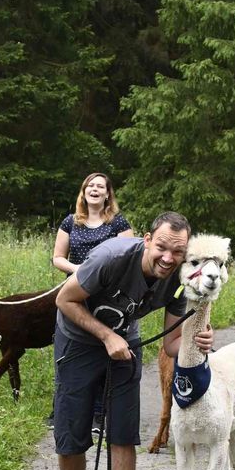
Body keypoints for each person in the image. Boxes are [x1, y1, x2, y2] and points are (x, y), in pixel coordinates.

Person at [51, 211, 213, 470]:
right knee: (71, 428)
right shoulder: (110, 258)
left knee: (123, 432)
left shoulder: (178, 280)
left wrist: (198, 337)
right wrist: (106, 335)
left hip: (125, 345)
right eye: (162, 248)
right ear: (147, 240)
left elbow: (171, 345)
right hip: (77, 341)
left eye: (178, 252)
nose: (168, 258)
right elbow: (64, 300)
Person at [47, 172, 133, 427]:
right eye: (90, 186)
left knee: (101, 350)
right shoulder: (70, 222)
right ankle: (62, 411)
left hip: (108, 298)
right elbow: (57, 258)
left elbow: (128, 257)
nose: (95, 189)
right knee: (69, 349)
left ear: (108, 194)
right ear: (84, 192)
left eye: (100, 186)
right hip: (75, 294)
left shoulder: (118, 223)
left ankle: (98, 414)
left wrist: (100, 275)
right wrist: (80, 271)